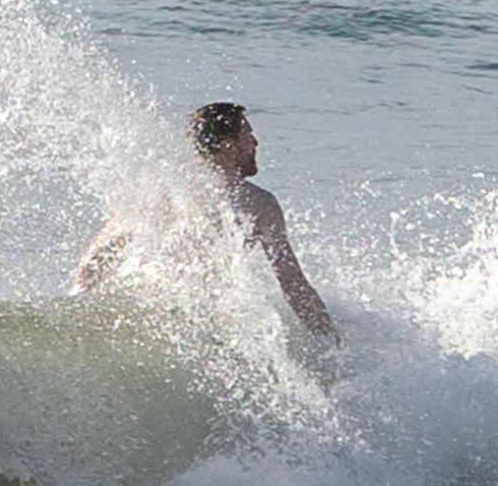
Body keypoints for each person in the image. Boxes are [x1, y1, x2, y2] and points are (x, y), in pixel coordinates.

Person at [71, 102, 338, 343]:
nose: (256, 143)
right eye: (248, 136)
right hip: (204, 320)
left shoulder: (156, 188)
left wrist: (74, 307)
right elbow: (292, 284)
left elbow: (95, 259)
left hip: (146, 310)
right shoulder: (259, 203)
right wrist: (330, 340)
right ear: (229, 146)